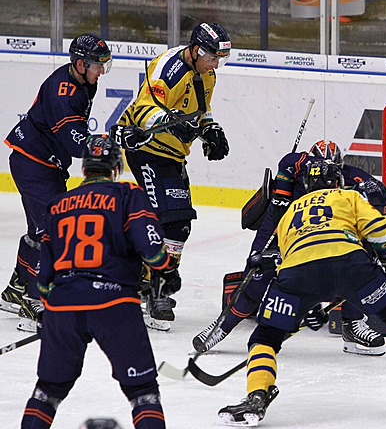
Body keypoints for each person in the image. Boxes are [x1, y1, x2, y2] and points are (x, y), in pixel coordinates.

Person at [217, 159, 386, 426]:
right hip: (352, 265)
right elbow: (379, 230)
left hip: (297, 274)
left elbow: (289, 261)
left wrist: (308, 307)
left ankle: (257, 396)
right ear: (336, 181)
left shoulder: (288, 213)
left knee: (266, 336)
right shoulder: (348, 196)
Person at [193, 140, 386, 356]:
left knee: (361, 266)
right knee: (258, 274)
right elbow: (279, 203)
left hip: (333, 235)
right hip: (287, 225)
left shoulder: (363, 186)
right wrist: (273, 240)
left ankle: (352, 324)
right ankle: (223, 325)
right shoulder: (293, 167)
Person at [20, 135, 173, 429]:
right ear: (116, 167)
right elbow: (153, 252)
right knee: (143, 393)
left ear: (84, 169)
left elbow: (42, 280)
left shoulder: (58, 203)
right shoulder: (127, 194)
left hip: (64, 305)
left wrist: (53, 314)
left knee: (47, 392)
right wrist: (167, 269)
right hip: (114, 303)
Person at [116, 22, 231, 330]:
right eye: (212, 57)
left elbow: (200, 111)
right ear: (196, 50)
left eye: (220, 58)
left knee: (178, 225)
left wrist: (210, 130)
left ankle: (147, 281)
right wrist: (170, 121)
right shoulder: (167, 67)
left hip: (173, 155)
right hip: (147, 149)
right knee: (162, 220)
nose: (216, 64)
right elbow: (144, 108)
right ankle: (157, 291)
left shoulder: (208, 73)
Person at [1, 33, 114, 333]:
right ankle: (32, 298)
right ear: (80, 64)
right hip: (33, 163)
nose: (101, 71)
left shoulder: (85, 81)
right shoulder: (62, 92)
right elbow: (77, 144)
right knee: (51, 229)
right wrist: (108, 143)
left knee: (38, 231)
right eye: (97, 66)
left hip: (41, 163)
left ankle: (16, 288)